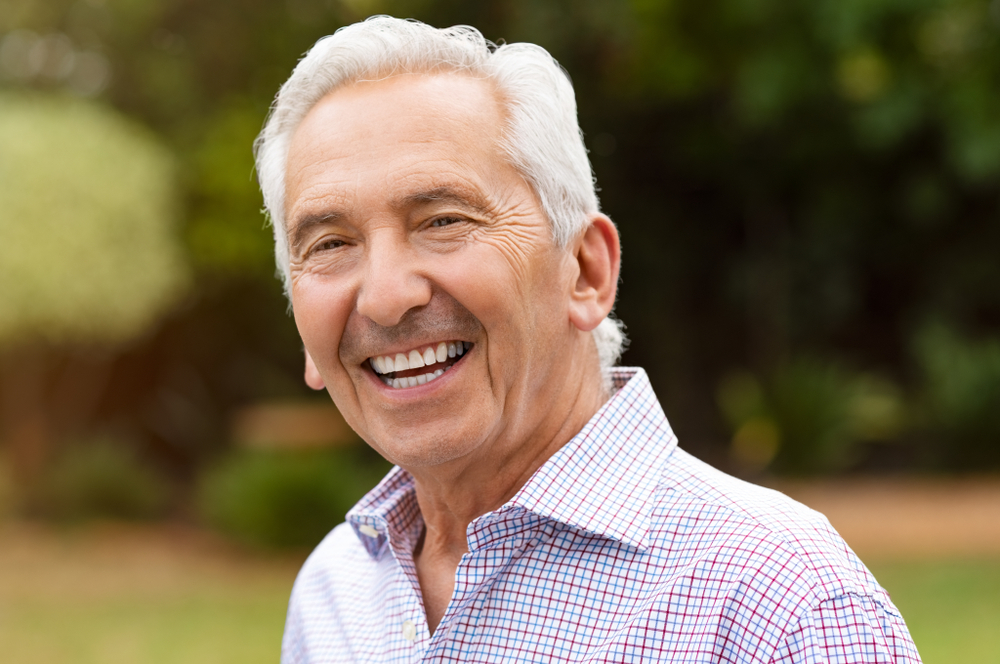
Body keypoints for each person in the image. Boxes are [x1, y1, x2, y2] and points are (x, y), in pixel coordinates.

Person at [254, 16, 921, 664]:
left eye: (443, 220)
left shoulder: (779, 602)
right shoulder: (335, 591)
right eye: (332, 243)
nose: (385, 295)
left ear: (585, 271)